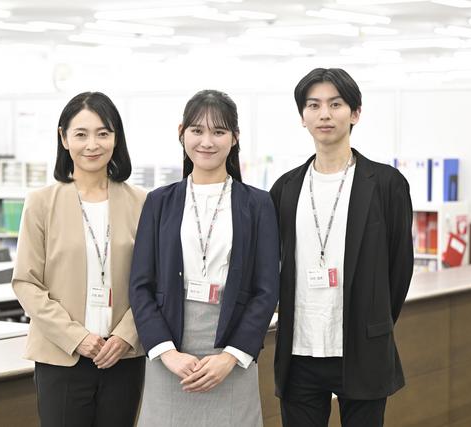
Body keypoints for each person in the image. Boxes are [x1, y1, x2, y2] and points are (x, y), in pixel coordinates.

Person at [270, 68, 414, 426]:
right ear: (302, 117)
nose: (324, 114)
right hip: (299, 351)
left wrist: (374, 322)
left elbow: (399, 268)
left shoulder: (386, 184)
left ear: (355, 113)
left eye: (335, 104)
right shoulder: (285, 188)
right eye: (314, 105)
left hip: (361, 347)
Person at [129, 89, 280, 427]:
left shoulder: (258, 204)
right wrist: (166, 352)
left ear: (235, 137)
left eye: (219, 131)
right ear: (181, 132)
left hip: (231, 351)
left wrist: (231, 356)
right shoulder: (159, 201)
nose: (207, 142)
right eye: (197, 130)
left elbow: (267, 289)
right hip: (169, 351)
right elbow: (140, 286)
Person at [12, 91, 146, 427]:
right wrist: (77, 337)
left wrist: (125, 336)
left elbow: (152, 282)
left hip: (123, 357)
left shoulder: (142, 203)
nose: (92, 144)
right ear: (64, 138)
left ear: (116, 138)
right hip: (61, 356)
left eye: (103, 133)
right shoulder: (41, 202)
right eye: (81, 134)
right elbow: (26, 282)